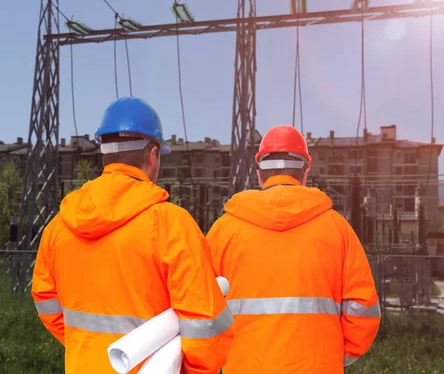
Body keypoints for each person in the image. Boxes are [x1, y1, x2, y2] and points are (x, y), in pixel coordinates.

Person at [31, 97, 233, 374]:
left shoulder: (58, 227)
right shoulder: (171, 225)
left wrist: (90, 350)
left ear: (105, 154)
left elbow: (46, 302)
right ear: (152, 156)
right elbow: (206, 324)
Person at [207, 124, 381, 373]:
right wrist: (334, 355)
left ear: (259, 174)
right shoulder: (337, 229)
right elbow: (363, 310)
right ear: (305, 173)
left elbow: (202, 310)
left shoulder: (224, 230)